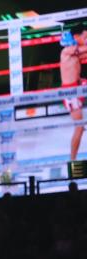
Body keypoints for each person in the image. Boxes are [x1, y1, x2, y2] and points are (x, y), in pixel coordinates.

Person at [60, 25, 87, 160]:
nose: (86, 39)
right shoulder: (67, 51)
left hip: (77, 87)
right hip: (70, 93)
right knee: (79, 127)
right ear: (76, 37)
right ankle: (73, 161)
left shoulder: (74, 51)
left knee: (80, 127)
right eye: (85, 37)